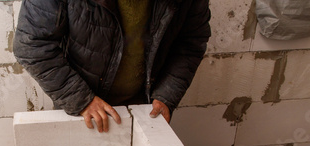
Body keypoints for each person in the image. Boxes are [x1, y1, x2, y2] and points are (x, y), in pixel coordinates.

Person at [14, 0, 210, 133]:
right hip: (82, 103)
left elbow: (190, 42)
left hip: (144, 105)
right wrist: (81, 100)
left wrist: (167, 95)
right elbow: (31, 45)